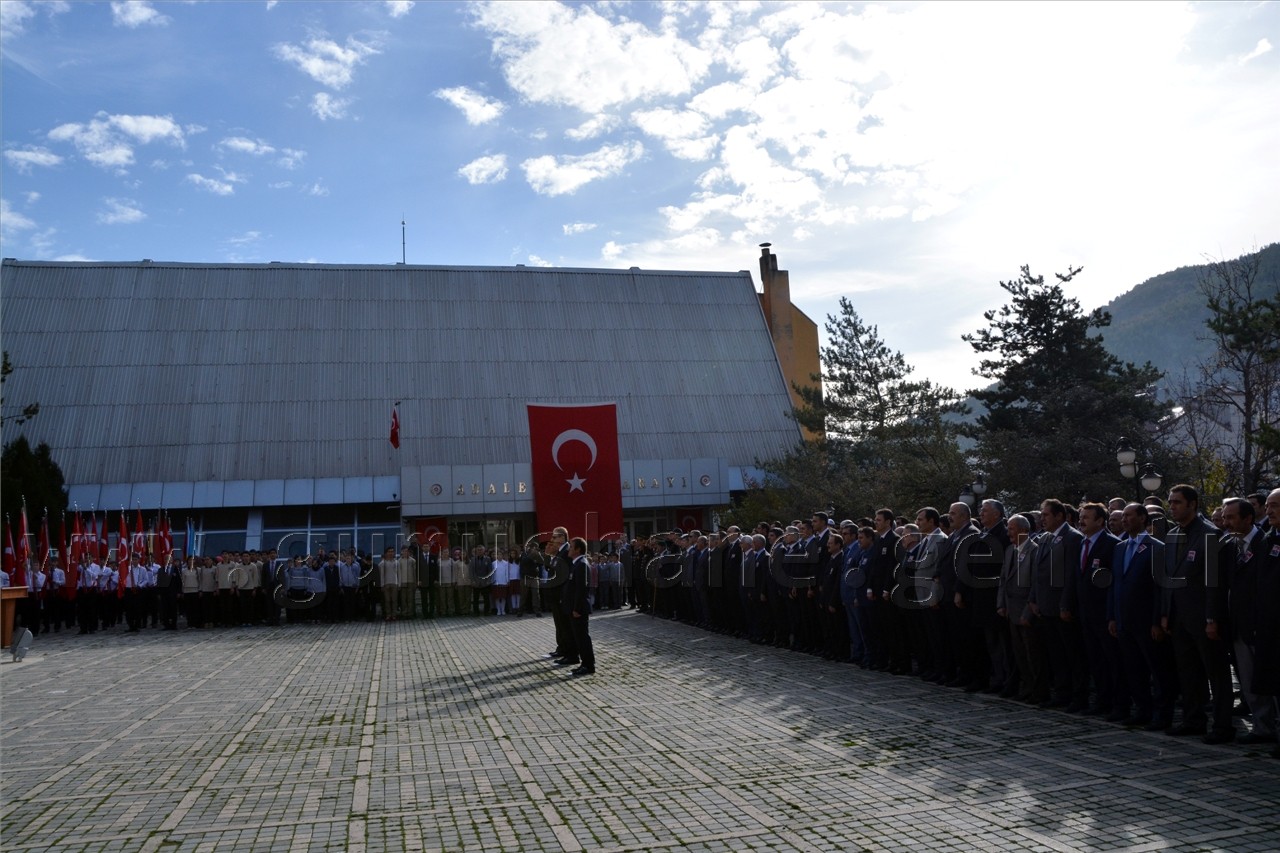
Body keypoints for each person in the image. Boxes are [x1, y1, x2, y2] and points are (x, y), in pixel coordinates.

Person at [1162, 484, 1234, 743]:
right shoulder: (1172, 535)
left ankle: (1223, 726)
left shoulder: (1210, 534)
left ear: (1192, 504)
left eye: (1177, 502)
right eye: (1170, 502)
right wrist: (1165, 613)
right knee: (1187, 672)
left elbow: (1215, 583)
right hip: (1179, 618)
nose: (1172, 507)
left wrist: (1212, 618)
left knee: (1216, 673)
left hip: (1204, 618)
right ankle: (1194, 720)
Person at [1220, 495, 1277, 746]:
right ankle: (1262, 727)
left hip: (1266, 627)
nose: (1226, 522)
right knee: (1249, 680)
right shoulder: (1228, 545)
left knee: (1273, 682)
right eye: (1224, 517)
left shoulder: (1265, 542)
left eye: (1231, 517)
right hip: (1239, 627)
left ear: (1248, 518)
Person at [564, 536, 595, 676]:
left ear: (578, 549)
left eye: (571, 547)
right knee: (579, 637)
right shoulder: (576, 564)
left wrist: (576, 608)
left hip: (579, 609)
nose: (569, 549)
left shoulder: (582, 564)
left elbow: (581, 590)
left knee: (582, 638)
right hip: (574, 608)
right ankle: (584, 663)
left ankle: (588, 665)